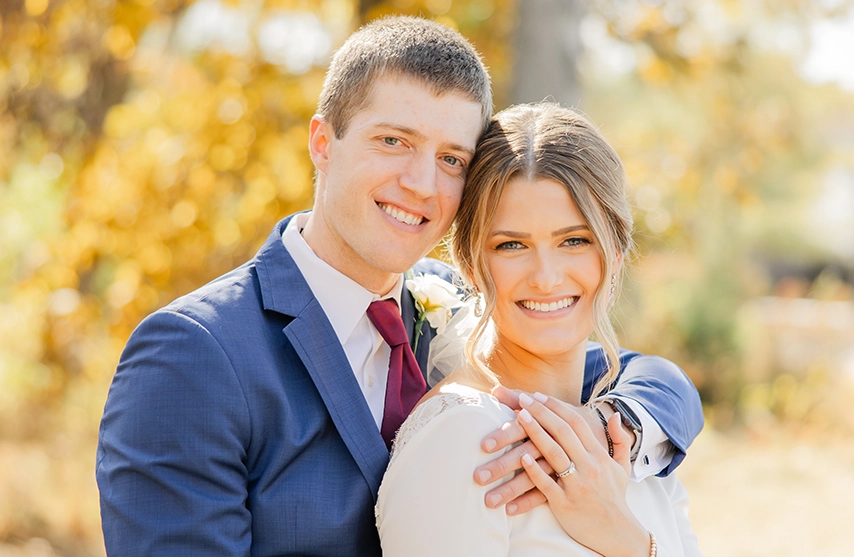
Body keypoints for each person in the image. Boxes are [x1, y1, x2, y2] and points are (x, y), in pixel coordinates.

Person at [96, 16, 702, 556]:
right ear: (322, 142)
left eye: (451, 159)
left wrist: (611, 427)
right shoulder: (194, 354)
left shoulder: (449, 301)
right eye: (394, 141)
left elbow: (643, 375)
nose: (420, 183)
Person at [376, 102, 702, 556]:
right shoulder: (465, 438)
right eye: (512, 245)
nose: (546, 277)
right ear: (470, 264)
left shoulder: (631, 440)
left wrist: (624, 538)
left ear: (616, 253)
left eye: (574, 241)